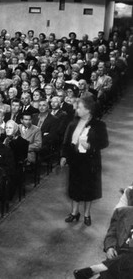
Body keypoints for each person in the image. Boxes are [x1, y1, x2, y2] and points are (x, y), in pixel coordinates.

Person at [61, 96, 109, 226]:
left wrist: (91, 146)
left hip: (90, 161)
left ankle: (87, 214)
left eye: (79, 107)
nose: (76, 109)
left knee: (89, 189)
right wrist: (64, 156)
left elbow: (104, 143)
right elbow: (66, 142)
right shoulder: (73, 123)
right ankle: (74, 213)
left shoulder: (99, 125)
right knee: (75, 187)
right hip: (76, 160)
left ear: (88, 110)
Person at [73, 207, 133, 279]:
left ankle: (98, 268)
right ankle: (101, 268)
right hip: (118, 257)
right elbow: (111, 233)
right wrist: (110, 247)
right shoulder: (122, 212)